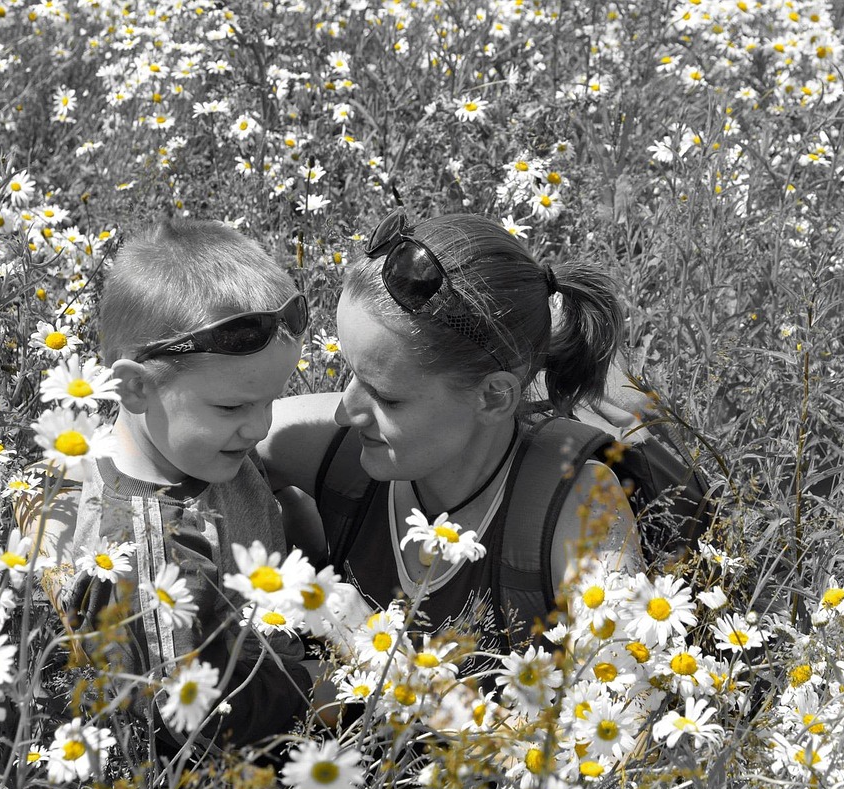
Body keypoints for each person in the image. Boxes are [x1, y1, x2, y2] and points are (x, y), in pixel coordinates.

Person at [19, 218, 315, 789]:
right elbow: (192, 714)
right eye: (235, 405)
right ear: (134, 388)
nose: (261, 426)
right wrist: (327, 682)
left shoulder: (207, 454)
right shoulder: (127, 541)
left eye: (272, 400)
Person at [260, 209, 650, 659]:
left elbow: (627, 697)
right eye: (352, 372)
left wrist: (380, 655)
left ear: (494, 397)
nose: (345, 412)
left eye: (386, 397)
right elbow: (195, 448)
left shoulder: (578, 511)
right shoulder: (335, 450)